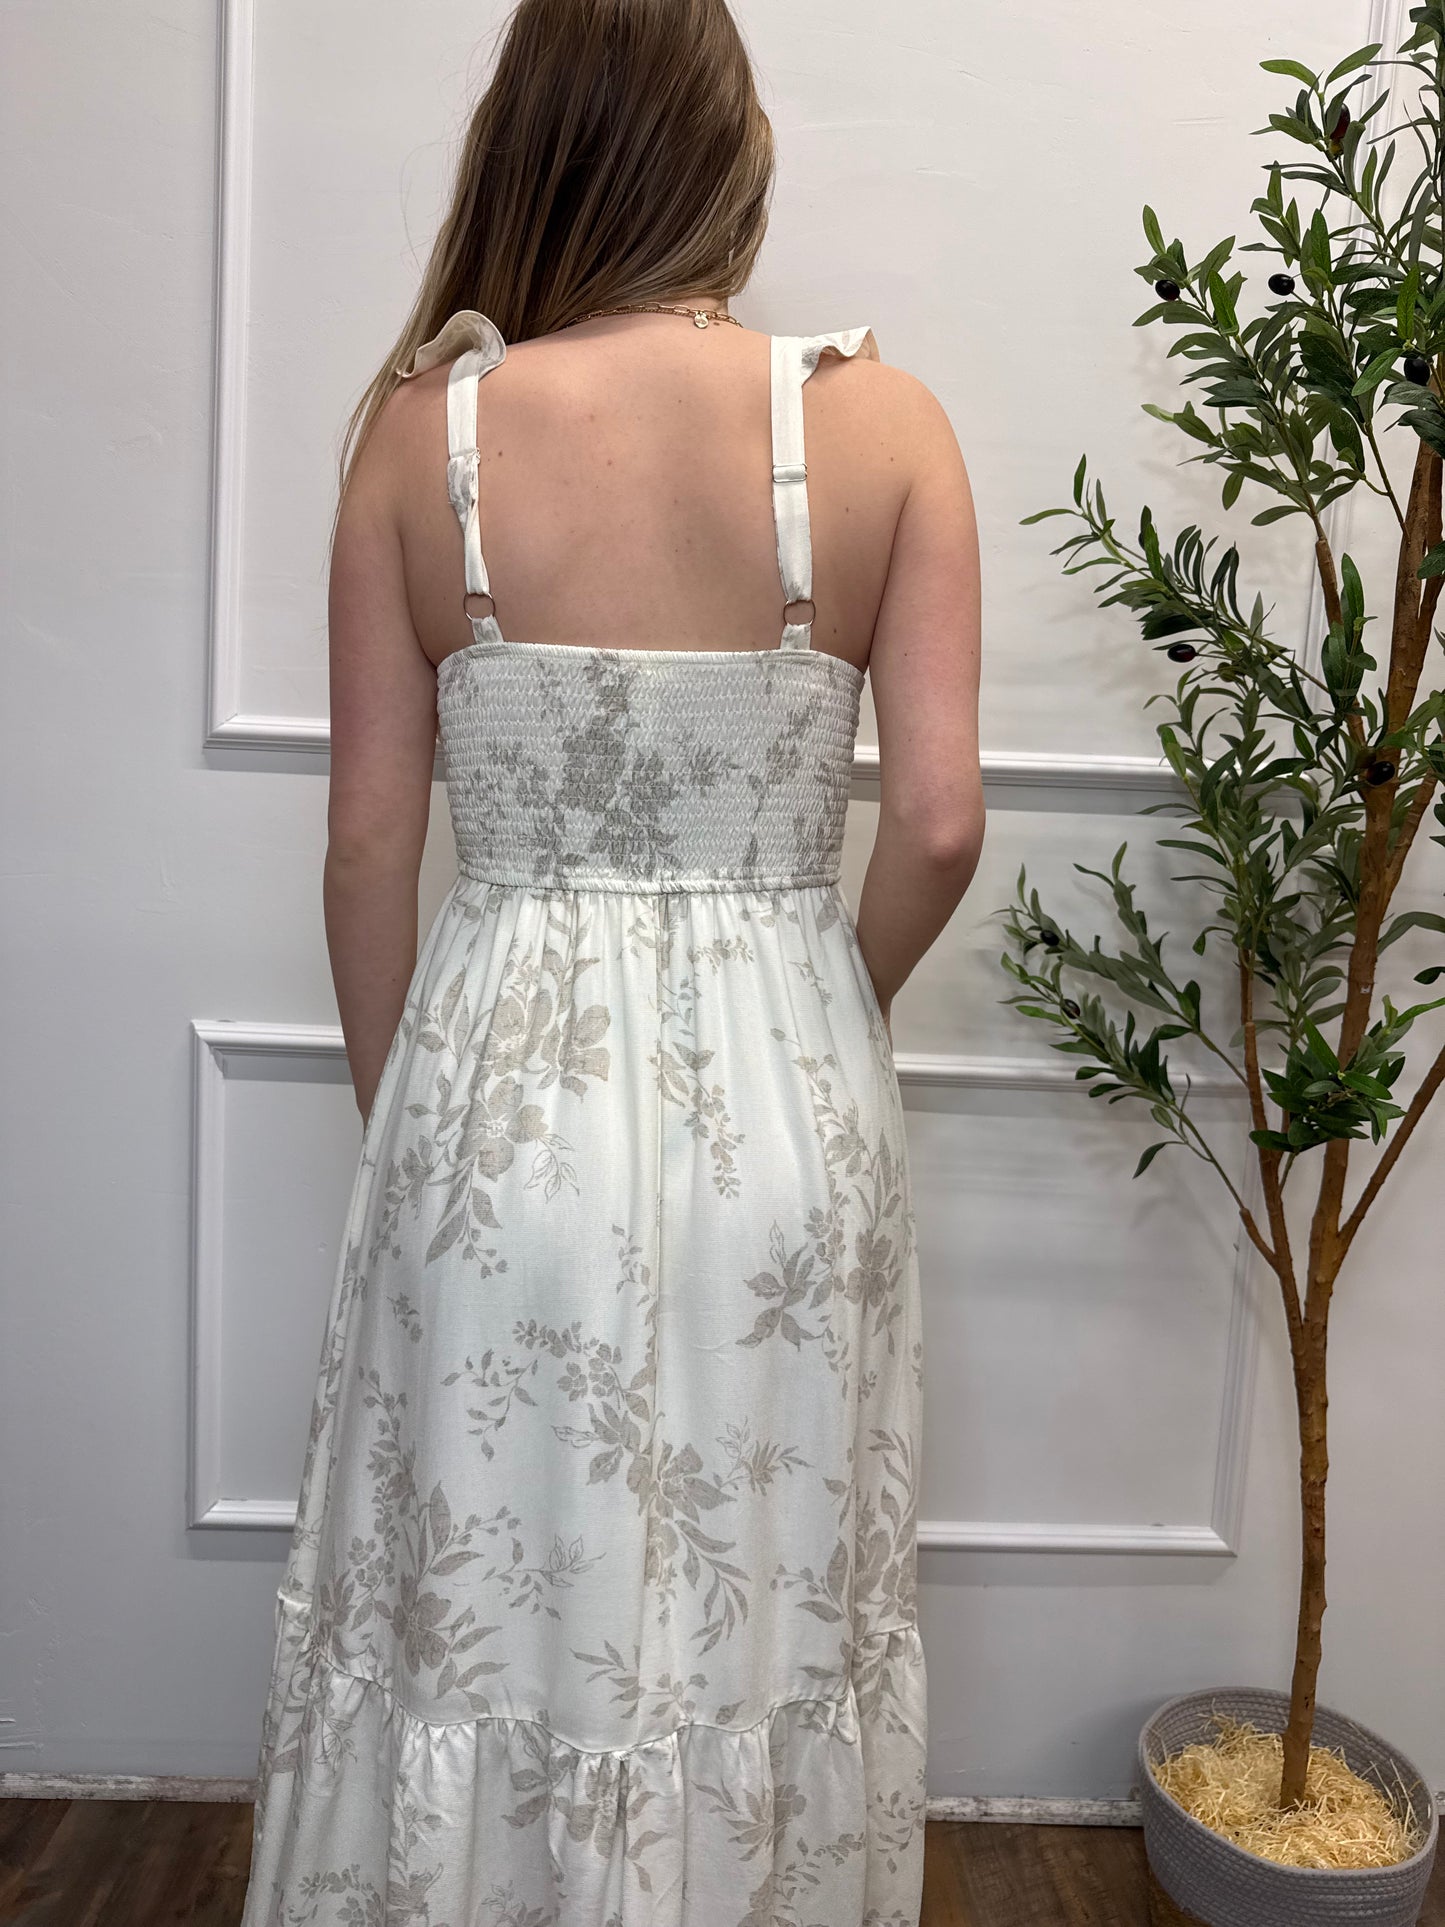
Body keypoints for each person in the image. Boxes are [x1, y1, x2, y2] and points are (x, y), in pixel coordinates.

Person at [238, 1, 982, 1922]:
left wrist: (412, 1115)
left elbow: (367, 847)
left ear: (532, 144)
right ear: (730, 153)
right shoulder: (883, 427)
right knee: (760, 1611)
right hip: (789, 1110)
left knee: (492, 1601)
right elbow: (936, 825)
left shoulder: (429, 438)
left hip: (499, 1103)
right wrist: (820, 1005)